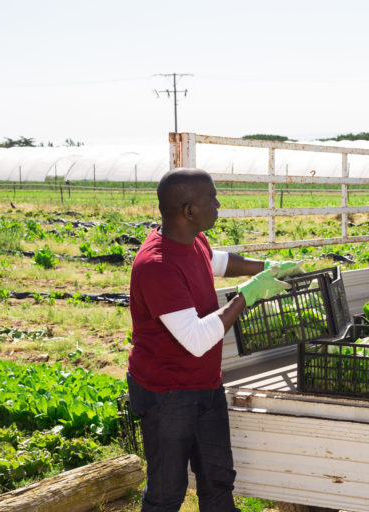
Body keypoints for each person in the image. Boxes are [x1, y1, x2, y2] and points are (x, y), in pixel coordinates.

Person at [127, 168, 303, 512]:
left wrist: (266, 266)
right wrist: (246, 296)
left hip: (204, 385)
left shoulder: (192, 240)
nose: (218, 204)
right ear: (189, 210)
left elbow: (218, 261)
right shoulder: (157, 265)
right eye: (212, 198)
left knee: (218, 483)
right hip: (166, 394)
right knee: (166, 493)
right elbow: (195, 339)